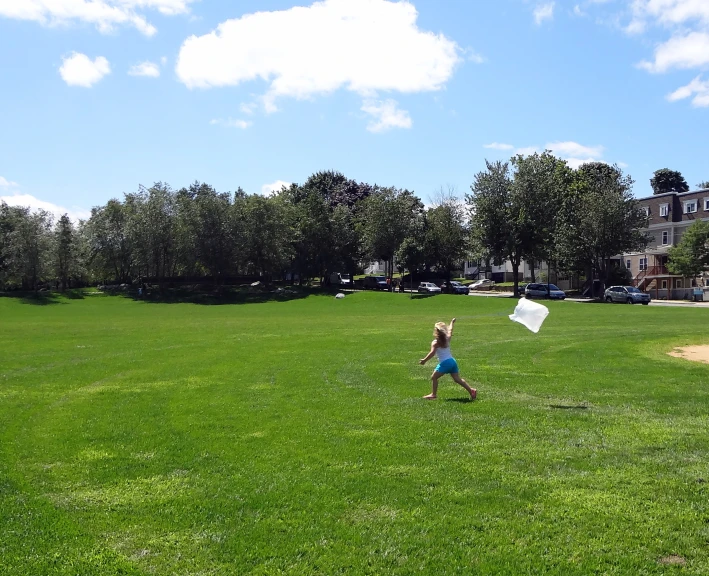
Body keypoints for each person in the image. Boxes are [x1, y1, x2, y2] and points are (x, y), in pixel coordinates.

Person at [419, 318, 477, 401]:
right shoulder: (447, 338)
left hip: (445, 363)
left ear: (436, 331)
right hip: (452, 361)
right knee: (457, 379)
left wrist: (424, 360)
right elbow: (450, 330)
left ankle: (433, 394)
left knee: (434, 377)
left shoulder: (435, 342)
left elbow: (432, 353)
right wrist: (452, 322)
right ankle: (471, 390)